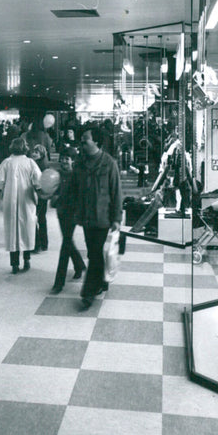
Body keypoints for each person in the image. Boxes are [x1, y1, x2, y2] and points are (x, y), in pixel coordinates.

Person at [72, 124, 123, 310]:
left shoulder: (109, 163)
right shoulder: (80, 163)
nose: (82, 141)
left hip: (103, 218)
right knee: (94, 252)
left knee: (94, 254)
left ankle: (88, 293)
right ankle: (102, 280)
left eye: (86, 138)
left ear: (97, 141)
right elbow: (73, 188)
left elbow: (116, 192)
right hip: (86, 217)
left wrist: (117, 218)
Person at [0, 137, 42, 274]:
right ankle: (27, 259)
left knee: (12, 230)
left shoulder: (6, 162)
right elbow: (38, 181)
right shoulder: (30, 162)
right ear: (25, 147)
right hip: (27, 199)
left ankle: (14, 264)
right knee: (27, 228)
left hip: (10, 199)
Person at [50, 147, 86, 294]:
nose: (64, 161)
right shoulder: (57, 175)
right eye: (63, 158)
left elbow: (80, 195)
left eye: (67, 158)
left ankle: (59, 282)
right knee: (68, 241)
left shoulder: (76, 175)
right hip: (61, 212)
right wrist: (53, 198)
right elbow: (52, 191)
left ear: (73, 160)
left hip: (72, 212)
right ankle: (79, 266)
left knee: (65, 244)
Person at [30, 144, 50, 253]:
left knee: (35, 218)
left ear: (42, 155)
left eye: (36, 152)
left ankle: (36, 245)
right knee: (42, 219)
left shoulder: (38, 166)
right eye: (33, 151)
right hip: (43, 195)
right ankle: (44, 243)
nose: (33, 154)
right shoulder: (41, 165)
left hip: (38, 195)